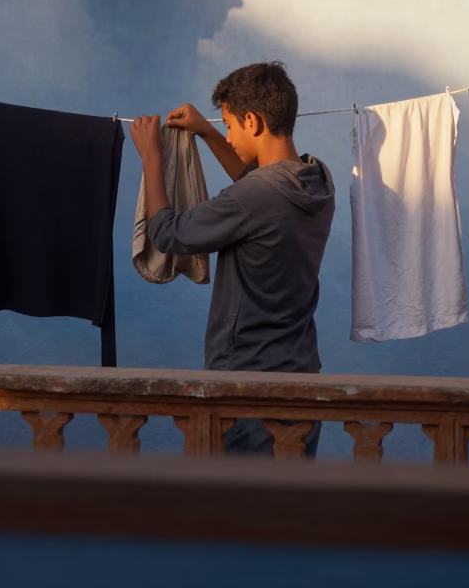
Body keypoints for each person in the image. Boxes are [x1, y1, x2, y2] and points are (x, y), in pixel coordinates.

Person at [129, 60, 335, 458]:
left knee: (242, 495)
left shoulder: (255, 197)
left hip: (248, 386)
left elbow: (169, 232)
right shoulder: (317, 181)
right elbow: (253, 183)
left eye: (228, 125)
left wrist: (152, 157)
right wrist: (207, 133)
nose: (228, 135)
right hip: (304, 381)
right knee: (290, 494)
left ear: (253, 121)